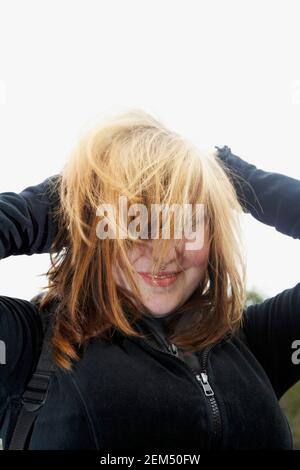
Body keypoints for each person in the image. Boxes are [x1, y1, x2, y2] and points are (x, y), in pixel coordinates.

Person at [0, 109, 299, 451]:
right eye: (135, 220)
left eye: (186, 223)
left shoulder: (255, 343)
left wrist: (238, 177)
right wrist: (63, 203)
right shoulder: (27, 346)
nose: (164, 253)